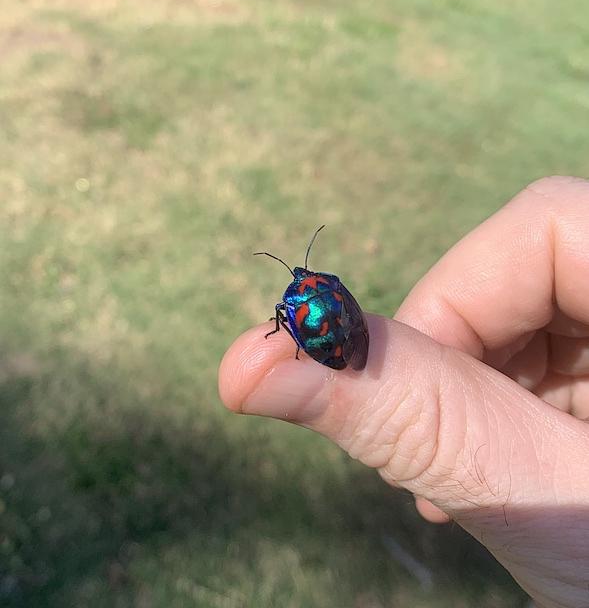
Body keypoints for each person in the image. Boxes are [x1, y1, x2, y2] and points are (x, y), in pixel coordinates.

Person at [219, 176, 589, 608]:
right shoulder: (328, 283)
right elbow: (349, 308)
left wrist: (298, 346)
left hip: (321, 343)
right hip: (341, 331)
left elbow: (287, 316)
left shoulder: (290, 301)